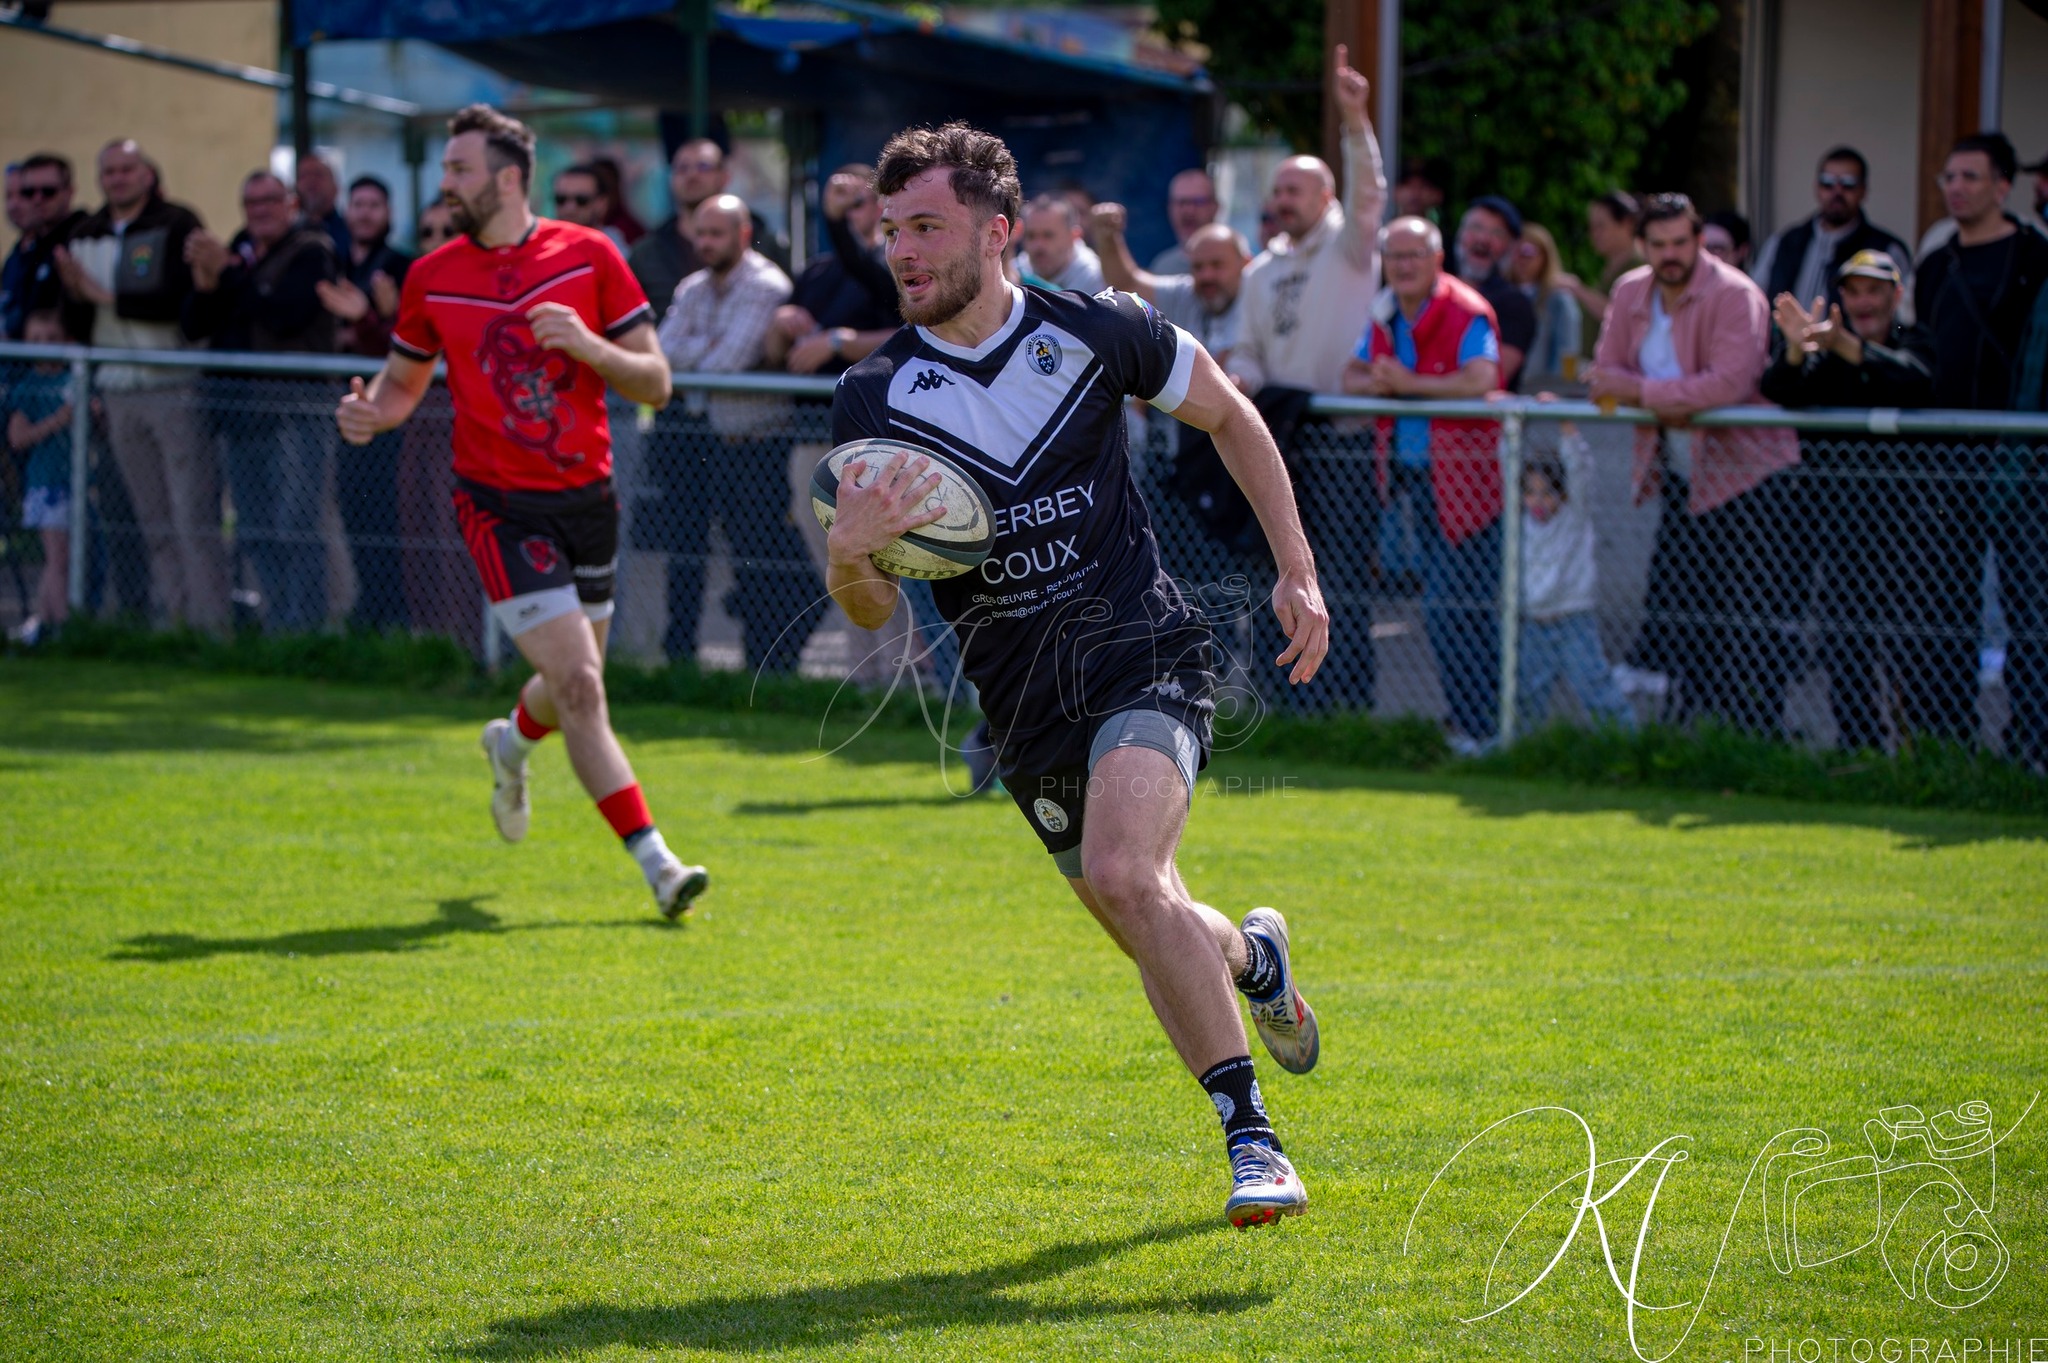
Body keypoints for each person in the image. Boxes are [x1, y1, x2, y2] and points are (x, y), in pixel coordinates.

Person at [829, 121, 1331, 1227]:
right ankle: (1255, 959)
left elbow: (1232, 414)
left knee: (1121, 870)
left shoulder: (1097, 327)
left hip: (1140, 649)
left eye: (927, 227)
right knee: (1145, 908)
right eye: (890, 229)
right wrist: (848, 553)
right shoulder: (874, 396)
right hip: (1021, 702)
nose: (900, 250)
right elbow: (867, 605)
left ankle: (1253, 1141)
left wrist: (1295, 569)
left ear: (997, 231)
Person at [334, 104, 707, 919]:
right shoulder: (432, 275)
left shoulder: (590, 253)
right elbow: (402, 383)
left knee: (574, 682)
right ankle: (659, 864)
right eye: (446, 170)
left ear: (507, 178)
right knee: (579, 685)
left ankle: (509, 743)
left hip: (588, 499)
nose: (446, 184)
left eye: (459, 169)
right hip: (498, 506)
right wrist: (372, 414)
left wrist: (588, 345)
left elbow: (655, 382)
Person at [1588, 193, 1799, 734]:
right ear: (1642, 244)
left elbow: (1729, 385)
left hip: (1752, 478)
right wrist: (1679, 400)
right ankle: (1697, 735)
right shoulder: (1630, 290)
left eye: (1681, 242)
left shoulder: (1735, 294)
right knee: (1691, 618)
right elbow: (1602, 375)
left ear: (1699, 240)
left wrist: (1644, 394)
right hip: (1683, 476)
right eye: (1658, 244)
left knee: (1752, 622)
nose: (1670, 254)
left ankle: (1756, 736)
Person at [1226, 43, 1387, 713]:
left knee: (1341, 573)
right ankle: (1286, 702)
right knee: (1278, 569)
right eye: (1278, 191)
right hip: (1279, 440)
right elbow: (1247, 350)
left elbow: (1371, 193)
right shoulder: (1261, 271)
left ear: (1326, 196)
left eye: (1294, 190)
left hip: (1341, 440)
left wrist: (1354, 120)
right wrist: (1238, 380)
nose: (1282, 200)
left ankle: (1342, 705)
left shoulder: (1351, 249)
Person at [1762, 251, 1939, 750]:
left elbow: (1917, 379)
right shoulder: (1825, 349)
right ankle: (1859, 746)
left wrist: (1848, 346)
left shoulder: (1913, 338)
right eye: (1854, 291)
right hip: (1838, 528)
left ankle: (1922, 749)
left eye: (1874, 291)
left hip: (1909, 529)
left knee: (1912, 645)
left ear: (1895, 296)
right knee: (1845, 642)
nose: (1864, 302)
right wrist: (1796, 349)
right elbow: (1780, 389)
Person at [1345, 216, 1505, 751]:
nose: (1404, 265)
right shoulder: (1385, 309)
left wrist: (1407, 384)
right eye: (1395, 255)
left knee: (1454, 608)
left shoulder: (1466, 309)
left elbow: (1482, 379)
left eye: (1415, 254)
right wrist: (1383, 382)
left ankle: (1482, 727)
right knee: (1449, 609)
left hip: (1468, 486)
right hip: (1414, 482)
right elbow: (1352, 376)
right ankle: (1471, 724)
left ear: (1438, 260)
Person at [55, 139, 226, 634]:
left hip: (172, 384)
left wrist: (103, 296)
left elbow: (177, 303)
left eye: (127, 169)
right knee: (153, 520)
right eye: (109, 171)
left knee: (192, 515)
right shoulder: (84, 233)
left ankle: (213, 628)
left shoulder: (175, 223)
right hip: (117, 388)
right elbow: (77, 322)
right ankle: (174, 624)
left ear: (147, 174)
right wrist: (77, 296)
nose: (118, 179)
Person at [1915, 132, 2048, 766]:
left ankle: (2031, 744)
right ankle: (1947, 744)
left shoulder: (2034, 257)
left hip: (2021, 459)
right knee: (1943, 605)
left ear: (2003, 185)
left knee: (2031, 605)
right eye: (1949, 177)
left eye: (1970, 177)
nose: (1957, 189)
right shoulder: (1935, 263)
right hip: (1945, 461)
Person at [652, 193, 824, 672]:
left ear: (743, 234)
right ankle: (680, 659)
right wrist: (705, 349)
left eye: (717, 234)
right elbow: (662, 354)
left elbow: (729, 362)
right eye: (701, 234)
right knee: (688, 550)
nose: (706, 243)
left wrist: (696, 353)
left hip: (759, 446)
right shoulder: (693, 287)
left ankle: (765, 667)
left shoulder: (765, 284)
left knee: (760, 560)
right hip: (703, 441)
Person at [183, 170, 341, 633]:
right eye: (251, 203)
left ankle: (306, 632)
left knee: (297, 525)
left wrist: (229, 272)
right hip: (240, 413)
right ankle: (277, 629)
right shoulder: (241, 249)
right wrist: (206, 282)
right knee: (254, 529)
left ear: (291, 204)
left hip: (296, 410)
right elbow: (196, 326)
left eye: (270, 201)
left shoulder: (312, 250)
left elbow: (285, 314)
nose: (260, 211)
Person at [319, 174, 416, 631]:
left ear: (389, 213)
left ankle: (391, 614)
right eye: (357, 204)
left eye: (374, 205)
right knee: (350, 513)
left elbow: (404, 346)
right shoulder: (333, 263)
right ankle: (366, 610)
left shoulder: (401, 266)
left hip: (388, 411)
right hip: (342, 408)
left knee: (386, 516)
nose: (364, 213)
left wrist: (368, 319)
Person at [1516, 432, 1634, 733]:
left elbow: (1581, 471)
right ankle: (1521, 743)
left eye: (1547, 493)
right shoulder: (1520, 525)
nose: (1538, 501)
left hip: (1572, 621)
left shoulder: (1573, 518)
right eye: (1530, 492)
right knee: (1526, 693)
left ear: (1564, 494)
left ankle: (1624, 740)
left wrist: (1567, 430)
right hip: (1535, 623)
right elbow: (1507, 464)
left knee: (1595, 686)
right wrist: (1507, 428)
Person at [767, 167, 898, 376]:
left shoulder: (894, 267)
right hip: (807, 396)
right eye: (836, 202)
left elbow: (912, 336)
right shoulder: (814, 271)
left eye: (856, 203)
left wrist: (838, 342)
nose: (844, 210)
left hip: (867, 394)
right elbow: (775, 356)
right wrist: (780, 322)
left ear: (879, 207)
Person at [1751, 146, 1912, 316]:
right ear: (1816, 187)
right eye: (1827, 183)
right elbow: (1756, 304)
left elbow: (1903, 319)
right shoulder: (1783, 243)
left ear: (1863, 191)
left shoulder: (1887, 250)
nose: (1837, 192)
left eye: (1848, 184)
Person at [1089, 204, 1249, 362]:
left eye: (1217, 265)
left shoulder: (1258, 298)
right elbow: (1126, 285)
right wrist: (1108, 238)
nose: (1207, 276)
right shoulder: (1187, 293)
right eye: (1198, 267)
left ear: (1245, 263)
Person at [5, 310, 78, 644]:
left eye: (52, 338)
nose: (44, 346)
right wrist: (58, 420)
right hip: (47, 485)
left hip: (75, 482)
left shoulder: (75, 380)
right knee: (58, 558)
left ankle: (40, 628)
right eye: (36, 339)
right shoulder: (28, 388)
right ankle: (62, 627)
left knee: (63, 559)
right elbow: (18, 438)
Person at [1454, 195, 1537, 391]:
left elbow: (1487, 382)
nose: (1483, 239)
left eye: (1497, 233)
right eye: (1476, 227)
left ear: (1511, 247)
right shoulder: (1431, 292)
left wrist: (1410, 382)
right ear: (1460, 234)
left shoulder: (1514, 304)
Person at [1, 153, 85, 340]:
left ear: (69, 192)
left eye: (48, 191)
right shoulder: (28, 247)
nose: (37, 199)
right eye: (28, 192)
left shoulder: (84, 238)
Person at [1507, 222, 1583, 391]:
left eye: (1527, 252)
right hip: (1504, 391)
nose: (1520, 259)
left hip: (1541, 392)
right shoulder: (1501, 294)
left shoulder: (1559, 300)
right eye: (1514, 252)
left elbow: (1567, 352)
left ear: (1545, 257)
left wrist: (1556, 391)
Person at [1559, 189, 1642, 329]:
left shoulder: (1640, 267)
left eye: (1601, 226)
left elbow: (1623, 316)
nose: (1594, 234)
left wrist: (1578, 289)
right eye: (1591, 228)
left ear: (1627, 224)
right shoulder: (1612, 266)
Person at [1017, 194, 1105, 294]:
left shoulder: (1093, 277)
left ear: (1074, 236)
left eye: (1048, 235)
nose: (1038, 245)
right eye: (1031, 236)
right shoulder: (1017, 270)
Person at [1150, 168, 1220, 275]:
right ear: (1170, 209)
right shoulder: (1163, 268)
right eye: (1181, 202)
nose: (1189, 211)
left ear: (1215, 208)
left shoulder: (1237, 265)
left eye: (1198, 202)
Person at [552, 163, 623, 249]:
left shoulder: (614, 248)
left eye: (581, 200)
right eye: (561, 199)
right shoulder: (544, 246)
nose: (570, 208)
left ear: (601, 203)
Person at [295, 155, 351, 262]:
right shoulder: (287, 234)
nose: (311, 181)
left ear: (336, 188)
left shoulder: (352, 233)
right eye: (304, 176)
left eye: (318, 175)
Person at [1392, 159, 1447, 225]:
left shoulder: (1440, 230)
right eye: (1408, 185)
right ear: (1396, 191)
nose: (1415, 193)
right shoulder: (1384, 229)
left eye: (1423, 186)